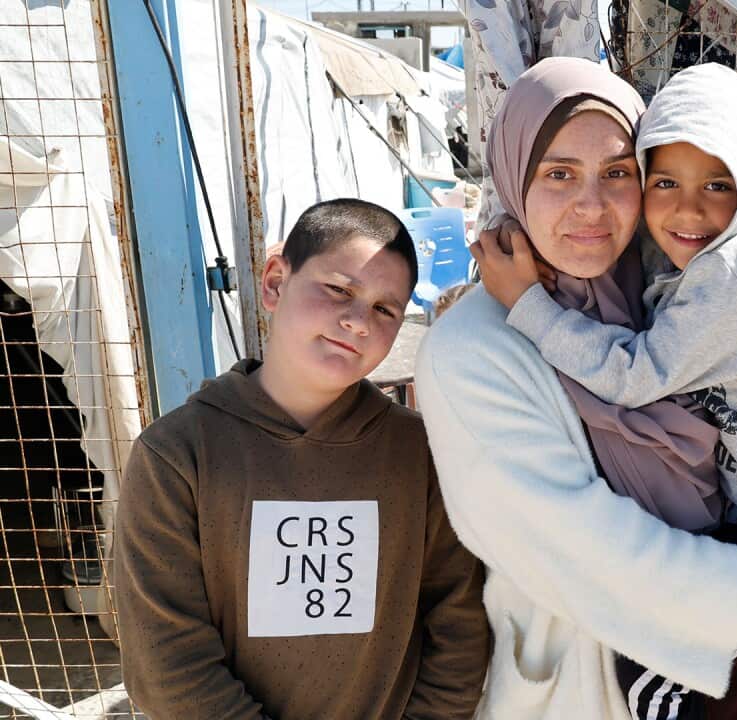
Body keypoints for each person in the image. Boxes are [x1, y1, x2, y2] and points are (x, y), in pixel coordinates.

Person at [415, 57, 737, 720]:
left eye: (618, 173)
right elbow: (591, 552)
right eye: (558, 174)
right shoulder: (473, 352)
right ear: (514, 173)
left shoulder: (653, 297)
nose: (592, 205)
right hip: (593, 682)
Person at [479, 62, 737, 554]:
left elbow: (634, 377)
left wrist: (528, 304)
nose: (688, 211)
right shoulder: (710, 246)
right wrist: (518, 234)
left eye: (717, 185)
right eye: (665, 183)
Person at [113, 199, 490, 720]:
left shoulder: (424, 455)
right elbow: (167, 662)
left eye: (385, 310)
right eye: (338, 290)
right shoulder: (176, 455)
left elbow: (460, 624)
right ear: (274, 282)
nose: (358, 321)